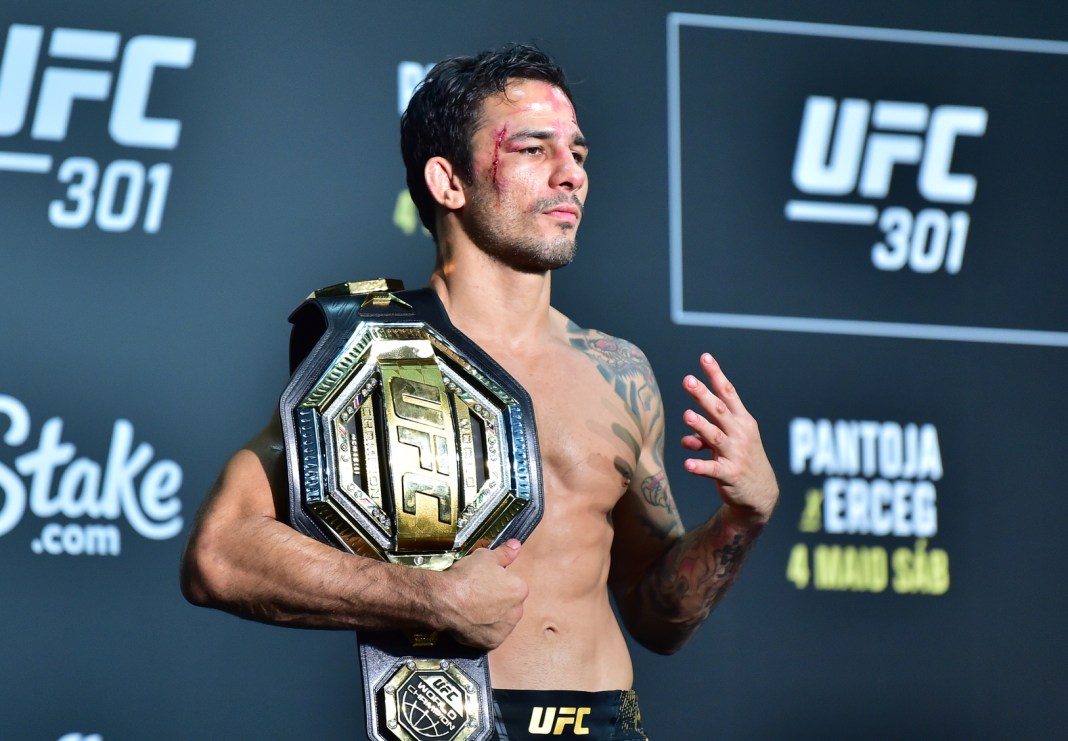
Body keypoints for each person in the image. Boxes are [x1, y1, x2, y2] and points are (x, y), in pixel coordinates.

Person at [180, 43, 779, 739]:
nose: (571, 174)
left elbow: (659, 616)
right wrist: (427, 599)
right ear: (448, 182)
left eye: (578, 153)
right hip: (458, 724)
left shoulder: (618, 369)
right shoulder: (374, 352)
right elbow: (219, 553)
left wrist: (742, 517)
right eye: (533, 150)